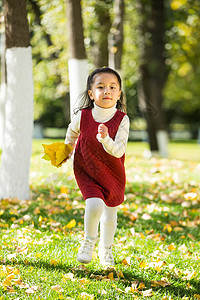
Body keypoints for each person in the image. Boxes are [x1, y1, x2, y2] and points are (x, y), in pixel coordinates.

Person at [64, 67, 129, 266]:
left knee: (110, 215)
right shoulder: (83, 116)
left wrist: (105, 139)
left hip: (113, 172)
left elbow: (118, 150)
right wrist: (66, 151)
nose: (107, 91)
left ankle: (106, 249)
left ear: (119, 94)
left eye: (112, 87)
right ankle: (88, 241)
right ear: (92, 94)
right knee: (94, 204)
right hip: (87, 169)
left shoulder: (121, 119)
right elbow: (72, 132)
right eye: (101, 87)